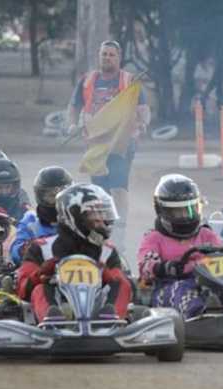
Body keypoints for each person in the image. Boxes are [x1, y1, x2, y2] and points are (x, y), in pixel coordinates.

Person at [66, 39, 151, 249]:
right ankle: (101, 233)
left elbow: (143, 108)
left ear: (118, 57)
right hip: (96, 143)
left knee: (118, 187)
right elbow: (74, 106)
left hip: (122, 142)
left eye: (111, 54)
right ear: (99, 56)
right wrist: (71, 124)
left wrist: (143, 124)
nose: (107, 58)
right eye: (104, 54)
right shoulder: (88, 81)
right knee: (99, 190)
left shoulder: (129, 81)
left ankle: (120, 233)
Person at [16, 183, 132, 322]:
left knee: (123, 285)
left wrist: (104, 272)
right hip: (59, 305)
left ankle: (111, 319)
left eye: (103, 214)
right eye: (95, 214)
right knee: (40, 288)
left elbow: (118, 279)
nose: (101, 221)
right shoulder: (41, 248)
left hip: (97, 308)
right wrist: (42, 273)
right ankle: (51, 319)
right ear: (74, 217)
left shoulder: (107, 251)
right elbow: (22, 287)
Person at [137, 174, 223, 318]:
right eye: (179, 212)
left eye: (190, 210)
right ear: (163, 212)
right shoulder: (154, 238)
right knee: (182, 290)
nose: (186, 216)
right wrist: (166, 267)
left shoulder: (206, 233)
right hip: (170, 285)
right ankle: (200, 316)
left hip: (209, 283)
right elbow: (146, 267)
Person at [9, 166, 74, 266]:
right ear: (41, 196)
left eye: (62, 195)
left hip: (78, 267)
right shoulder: (31, 220)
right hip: (43, 272)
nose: (58, 200)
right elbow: (15, 253)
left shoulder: (78, 219)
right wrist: (27, 248)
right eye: (52, 196)